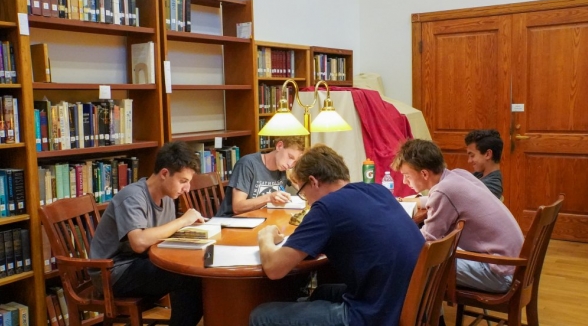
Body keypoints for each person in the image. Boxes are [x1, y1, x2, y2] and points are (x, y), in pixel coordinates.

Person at [250, 144, 424, 326]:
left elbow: (274, 269)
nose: (306, 200)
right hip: (404, 299)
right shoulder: (377, 190)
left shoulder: (326, 208)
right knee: (322, 292)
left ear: (314, 181)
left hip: (374, 315)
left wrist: (266, 236)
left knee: (262, 315)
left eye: (302, 192)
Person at [90, 141, 206, 326]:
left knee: (197, 269)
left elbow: (162, 234)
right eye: (183, 181)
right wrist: (183, 220)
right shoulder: (132, 197)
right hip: (114, 273)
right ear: (164, 174)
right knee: (189, 276)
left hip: (139, 262)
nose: (187, 189)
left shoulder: (167, 196)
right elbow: (139, 241)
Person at [392, 139, 523, 293]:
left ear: (424, 174)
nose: (404, 181)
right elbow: (441, 197)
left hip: (500, 274)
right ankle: (432, 315)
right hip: (514, 264)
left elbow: (426, 242)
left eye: (406, 175)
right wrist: (407, 201)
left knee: (416, 264)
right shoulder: (458, 175)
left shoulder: (443, 192)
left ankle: (424, 316)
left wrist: (393, 240)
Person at [216, 136, 305, 217]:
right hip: (231, 221)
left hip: (261, 219)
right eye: (290, 156)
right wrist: (269, 198)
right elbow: (237, 207)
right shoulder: (247, 164)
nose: (290, 164)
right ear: (279, 146)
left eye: (295, 162)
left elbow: (304, 190)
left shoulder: (284, 169)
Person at [464, 129, 504, 199]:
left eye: (472, 155)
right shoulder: (479, 174)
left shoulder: (491, 187)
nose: (469, 161)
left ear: (488, 154)